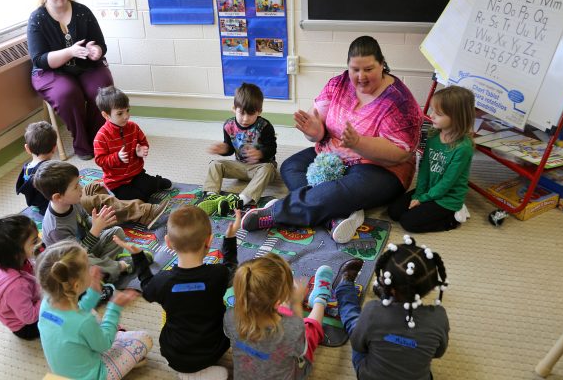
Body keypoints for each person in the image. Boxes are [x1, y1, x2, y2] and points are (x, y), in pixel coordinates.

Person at [241, 36, 423, 243]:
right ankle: (334, 217)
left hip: (379, 169)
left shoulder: (399, 100)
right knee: (291, 167)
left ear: (382, 65)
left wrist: (359, 143)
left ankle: (275, 213)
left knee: (338, 189)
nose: (361, 76)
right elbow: (316, 127)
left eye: (369, 69)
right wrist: (315, 132)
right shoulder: (338, 84)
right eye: (355, 69)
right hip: (333, 156)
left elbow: (400, 153)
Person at [137, 206, 240, 379]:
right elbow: (231, 267)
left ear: (168, 242)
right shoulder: (218, 274)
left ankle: (190, 373)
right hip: (214, 350)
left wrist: (139, 259)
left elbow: (147, 290)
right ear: (209, 241)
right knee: (234, 314)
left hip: (175, 355)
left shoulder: (162, 281)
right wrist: (229, 239)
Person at [334, 236, 449, 380]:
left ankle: (344, 286)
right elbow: (438, 353)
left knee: (353, 319)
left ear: (391, 287)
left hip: (369, 376)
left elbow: (358, 345)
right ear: (431, 287)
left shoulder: (373, 311)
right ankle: (386, 296)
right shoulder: (439, 317)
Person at [16, 121, 168, 228]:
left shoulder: (27, 169)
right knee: (102, 199)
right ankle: (146, 213)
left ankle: (116, 208)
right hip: (67, 206)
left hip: (54, 202)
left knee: (92, 186)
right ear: (54, 148)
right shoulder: (50, 170)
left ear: (27, 148)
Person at [36, 241, 152, 379]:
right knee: (145, 338)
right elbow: (105, 345)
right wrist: (114, 308)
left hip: (66, 372)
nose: (92, 269)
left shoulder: (46, 304)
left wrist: (93, 292)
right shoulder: (82, 322)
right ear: (77, 284)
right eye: (88, 267)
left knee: (92, 316)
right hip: (93, 376)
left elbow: (75, 314)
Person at [27, 0, 113, 160]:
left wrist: (96, 51)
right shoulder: (37, 19)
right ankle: (82, 144)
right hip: (51, 72)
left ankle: (98, 138)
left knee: (102, 90)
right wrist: (70, 52)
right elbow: (40, 60)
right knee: (67, 93)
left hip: (86, 66)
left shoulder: (82, 11)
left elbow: (100, 44)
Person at [32, 160, 152, 284]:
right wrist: (95, 229)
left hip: (86, 247)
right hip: (71, 261)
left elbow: (85, 219)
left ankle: (103, 272)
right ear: (58, 197)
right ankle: (122, 266)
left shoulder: (73, 201)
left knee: (117, 232)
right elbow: (77, 254)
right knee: (84, 262)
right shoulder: (56, 228)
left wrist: (97, 222)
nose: (81, 188)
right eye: (76, 186)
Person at [223, 254, 333, 380]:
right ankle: (320, 299)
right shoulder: (291, 329)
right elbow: (302, 348)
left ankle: (278, 301)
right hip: (291, 374)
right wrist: (296, 303)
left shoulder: (230, 316)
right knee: (310, 330)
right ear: (278, 300)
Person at [388, 86, 475, 232]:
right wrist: (418, 194)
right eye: (433, 110)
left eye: (438, 113)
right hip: (430, 189)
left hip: (447, 198)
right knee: (394, 212)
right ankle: (426, 201)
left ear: (457, 117)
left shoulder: (463, 148)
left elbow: (447, 182)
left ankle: (452, 219)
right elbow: (424, 169)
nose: (432, 115)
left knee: (408, 223)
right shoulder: (433, 136)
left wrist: (423, 199)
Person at [198, 83, 277, 216]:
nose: (245, 119)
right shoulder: (228, 126)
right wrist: (223, 149)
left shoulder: (265, 126)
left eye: (251, 114)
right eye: (242, 113)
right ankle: (212, 196)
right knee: (215, 164)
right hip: (240, 166)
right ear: (234, 109)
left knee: (269, 169)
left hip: (260, 167)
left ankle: (241, 200)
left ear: (259, 112)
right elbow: (229, 149)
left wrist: (261, 153)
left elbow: (272, 148)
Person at [94, 86, 173, 202]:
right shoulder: (101, 137)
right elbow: (100, 160)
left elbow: (143, 142)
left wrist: (142, 149)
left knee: (148, 186)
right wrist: (117, 157)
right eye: (120, 113)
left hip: (136, 173)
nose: (126, 116)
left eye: (127, 110)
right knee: (138, 198)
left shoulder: (133, 127)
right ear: (106, 115)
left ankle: (155, 182)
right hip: (117, 182)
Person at [0, 215, 42, 340]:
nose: (40, 243)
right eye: (35, 241)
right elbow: (29, 317)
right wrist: (49, 298)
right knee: (64, 310)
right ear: (16, 253)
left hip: (29, 302)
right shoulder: (16, 286)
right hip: (26, 327)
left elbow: (33, 271)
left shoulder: (11, 261)